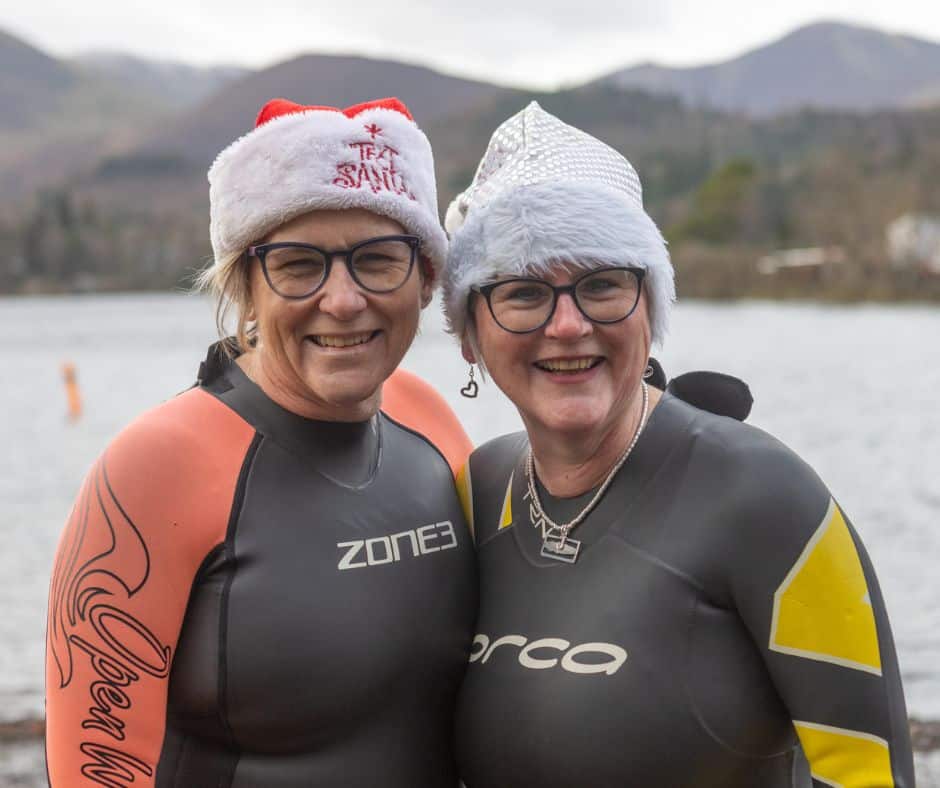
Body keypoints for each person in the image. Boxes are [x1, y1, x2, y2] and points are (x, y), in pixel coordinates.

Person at [443, 102, 914, 787]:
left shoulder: (767, 500)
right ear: (470, 334)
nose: (568, 325)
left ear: (650, 308)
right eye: (522, 293)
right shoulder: (477, 492)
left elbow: (870, 772)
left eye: (603, 284)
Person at [45, 97, 477, 787]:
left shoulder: (431, 423)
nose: (342, 299)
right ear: (246, 284)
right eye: (299, 265)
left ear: (426, 277)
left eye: (378, 259)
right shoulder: (157, 467)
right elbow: (95, 768)